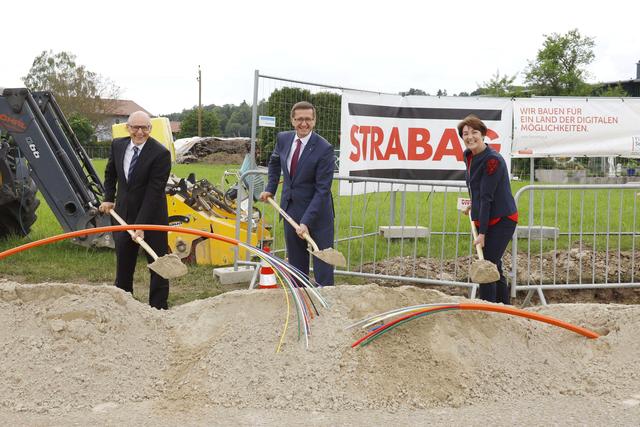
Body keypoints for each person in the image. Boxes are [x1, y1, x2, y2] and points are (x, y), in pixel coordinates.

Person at [99, 111, 172, 309]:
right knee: (124, 262)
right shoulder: (117, 145)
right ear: (128, 128)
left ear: (150, 128)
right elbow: (110, 173)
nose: (140, 132)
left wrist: (141, 225)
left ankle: (158, 308)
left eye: (145, 128)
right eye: (135, 128)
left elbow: (153, 192)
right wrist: (108, 198)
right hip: (123, 214)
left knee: (158, 263)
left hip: (153, 216)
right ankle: (124, 305)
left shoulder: (161, 154)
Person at [259, 101, 336, 286]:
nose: (304, 123)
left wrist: (306, 221)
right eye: (300, 119)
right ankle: (301, 297)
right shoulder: (283, 139)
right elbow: (275, 162)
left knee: (323, 264)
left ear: (314, 121)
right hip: (291, 210)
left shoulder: (324, 149)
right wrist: (271, 188)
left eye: (308, 119)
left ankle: (325, 301)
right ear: (293, 120)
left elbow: (322, 189)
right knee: (296, 262)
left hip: (317, 215)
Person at [458, 115, 518, 304]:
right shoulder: (468, 155)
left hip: (502, 219)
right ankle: (505, 308)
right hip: (486, 214)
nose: (470, 137)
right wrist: (472, 206)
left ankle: (488, 309)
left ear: (483, 134)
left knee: (487, 265)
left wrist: (482, 233)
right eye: (465, 134)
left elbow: (487, 196)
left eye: (474, 132)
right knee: (494, 265)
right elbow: (476, 188)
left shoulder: (493, 161)